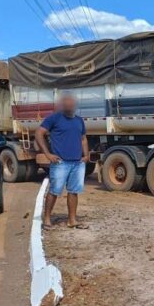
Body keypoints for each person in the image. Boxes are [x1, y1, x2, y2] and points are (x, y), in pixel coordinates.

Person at [36, 92, 89, 230]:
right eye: (66, 102)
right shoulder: (54, 119)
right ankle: (47, 219)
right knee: (55, 191)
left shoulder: (79, 120)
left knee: (73, 191)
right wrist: (47, 153)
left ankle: (72, 220)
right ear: (62, 104)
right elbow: (39, 133)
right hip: (60, 163)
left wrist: (86, 155)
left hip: (77, 163)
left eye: (71, 102)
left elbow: (83, 139)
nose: (69, 104)